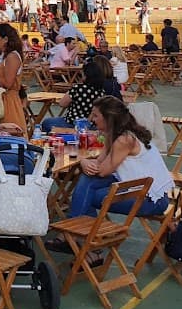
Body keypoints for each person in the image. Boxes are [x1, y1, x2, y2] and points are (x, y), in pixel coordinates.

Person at [48, 95, 173, 250]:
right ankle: (84, 242)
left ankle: (83, 241)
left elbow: (102, 171)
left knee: (87, 194)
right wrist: (85, 162)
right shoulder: (117, 134)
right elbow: (99, 163)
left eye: (95, 115)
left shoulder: (124, 140)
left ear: (108, 118)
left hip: (151, 200)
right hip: (140, 189)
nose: (91, 119)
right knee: (87, 184)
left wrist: (83, 161)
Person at [41, 58, 108, 132]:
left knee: (46, 123)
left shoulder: (78, 88)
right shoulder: (102, 92)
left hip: (72, 123)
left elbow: (62, 103)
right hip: (92, 126)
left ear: (86, 76)